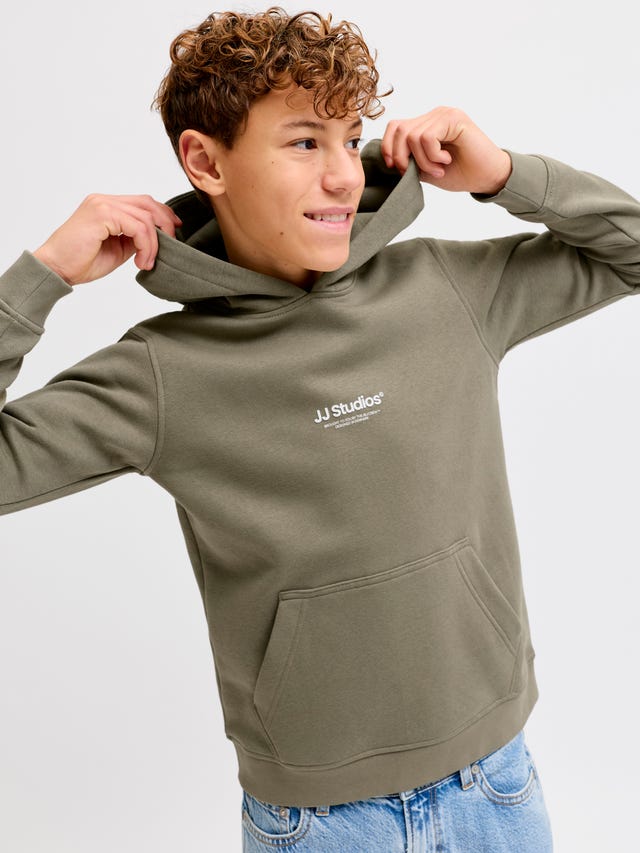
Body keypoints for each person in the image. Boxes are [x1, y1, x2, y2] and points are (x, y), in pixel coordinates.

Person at [2, 6, 639, 851]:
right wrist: (42, 275)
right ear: (205, 161)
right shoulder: (162, 372)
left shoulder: (445, 288)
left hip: (495, 783)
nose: (342, 175)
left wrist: (506, 175)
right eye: (305, 142)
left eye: (351, 139)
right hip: (320, 824)